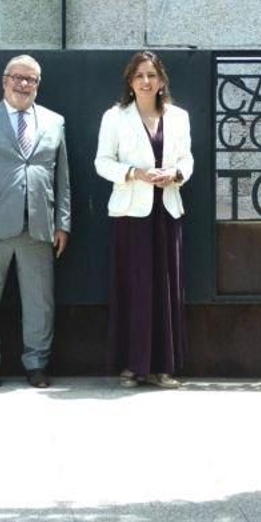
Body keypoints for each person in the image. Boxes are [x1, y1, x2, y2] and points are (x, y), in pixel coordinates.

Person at [0, 54, 71, 389]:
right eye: (18, 77)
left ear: (38, 85)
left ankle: (37, 364)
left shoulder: (55, 122)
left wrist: (62, 222)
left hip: (38, 225)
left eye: (30, 79)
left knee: (40, 303)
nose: (23, 84)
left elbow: (63, 178)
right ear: (5, 81)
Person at [94, 51, 192, 389]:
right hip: (131, 214)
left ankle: (163, 367)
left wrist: (175, 174)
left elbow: (187, 159)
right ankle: (133, 365)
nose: (146, 81)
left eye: (152, 75)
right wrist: (134, 173)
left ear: (161, 80)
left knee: (165, 288)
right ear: (130, 82)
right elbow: (102, 162)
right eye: (139, 76)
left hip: (167, 211)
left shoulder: (179, 117)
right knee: (135, 288)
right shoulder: (115, 117)